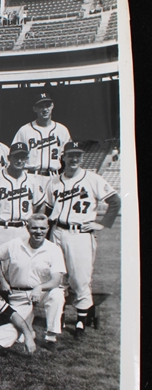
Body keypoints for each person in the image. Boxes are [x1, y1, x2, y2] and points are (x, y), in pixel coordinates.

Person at [45, 141, 121, 336]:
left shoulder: (92, 179)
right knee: (57, 277)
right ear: (64, 157)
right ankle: (58, 316)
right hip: (57, 232)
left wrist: (102, 224)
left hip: (80, 234)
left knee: (80, 279)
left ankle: (80, 321)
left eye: (78, 155)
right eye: (70, 155)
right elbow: (47, 209)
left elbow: (115, 201)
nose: (74, 159)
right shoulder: (54, 181)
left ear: (81, 158)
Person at [0, 142, 46, 287]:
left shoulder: (32, 180)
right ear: (9, 158)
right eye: (16, 157)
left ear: (27, 159)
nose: (19, 160)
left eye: (23, 157)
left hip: (23, 230)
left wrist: (36, 222)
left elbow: (41, 203)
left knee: (21, 272)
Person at [0, 214, 66, 347]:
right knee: (14, 335)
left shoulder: (54, 249)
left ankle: (51, 336)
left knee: (57, 294)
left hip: (42, 293)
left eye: (43, 228)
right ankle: (28, 327)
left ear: (48, 228)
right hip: (18, 294)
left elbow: (56, 281)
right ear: (27, 228)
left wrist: (39, 287)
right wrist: (2, 281)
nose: (39, 232)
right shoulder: (15, 244)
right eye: (35, 228)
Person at [11, 91, 72, 183]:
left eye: (47, 105)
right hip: (31, 176)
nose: (45, 109)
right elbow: (13, 155)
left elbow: (68, 156)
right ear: (35, 109)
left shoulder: (62, 130)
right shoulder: (24, 130)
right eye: (41, 106)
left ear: (52, 106)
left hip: (54, 177)